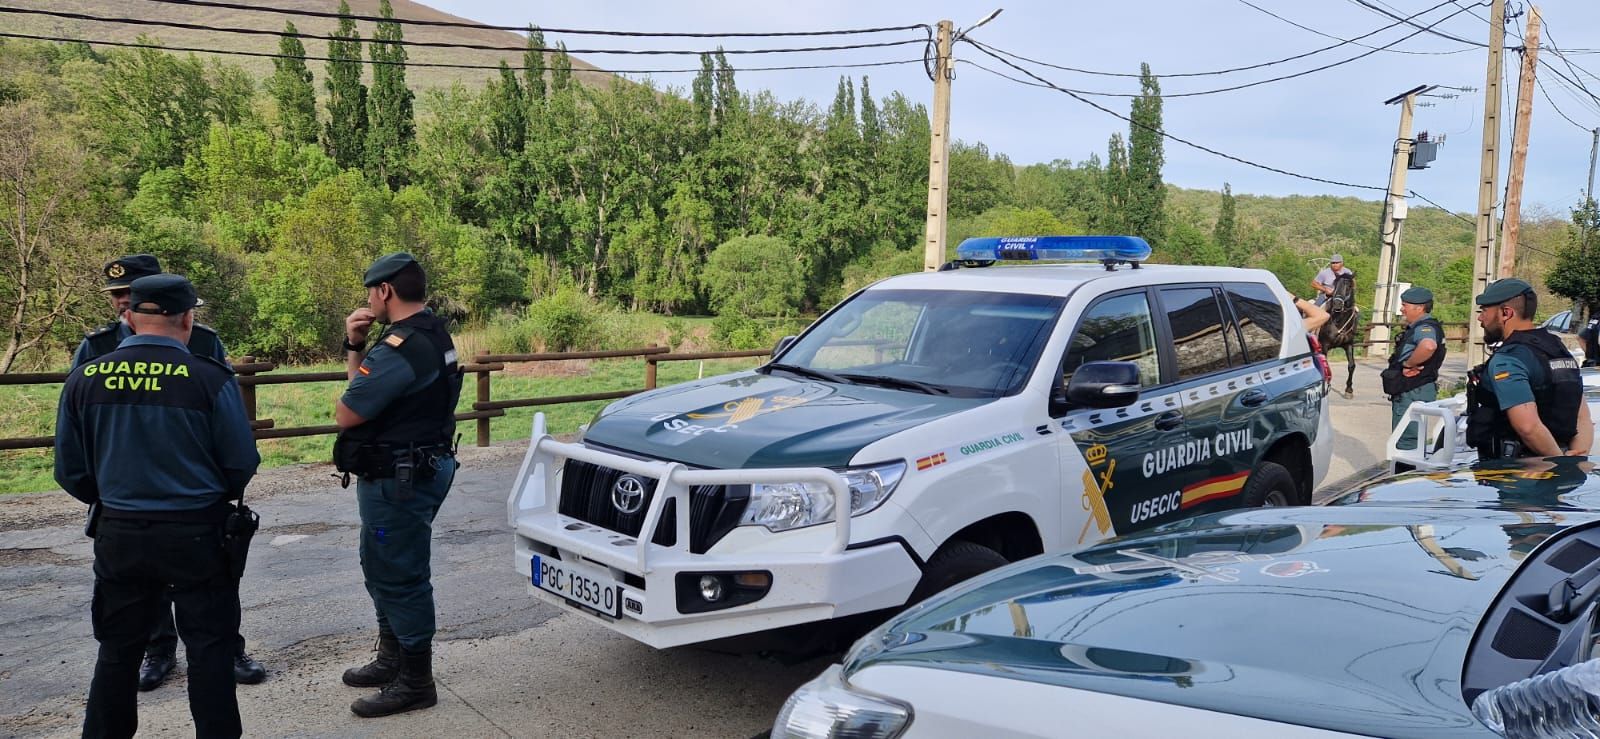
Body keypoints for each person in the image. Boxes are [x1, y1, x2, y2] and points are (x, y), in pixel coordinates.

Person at [54, 274, 260, 738]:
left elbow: (69, 470)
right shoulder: (210, 379)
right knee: (209, 647)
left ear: (129, 317)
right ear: (188, 318)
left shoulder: (84, 379)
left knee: (118, 650)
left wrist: (116, 499)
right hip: (197, 533)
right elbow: (241, 463)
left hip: (119, 532)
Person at [333, 253, 462, 718]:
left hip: (399, 477)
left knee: (400, 574)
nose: (368, 299)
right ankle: (392, 657)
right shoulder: (434, 331)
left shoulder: (399, 348)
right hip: (421, 465)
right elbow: (367, 399)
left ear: (385, 291)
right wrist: (356, 343)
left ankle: (415, 680)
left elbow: (348, 412)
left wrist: (358, 350)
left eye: (371, 291)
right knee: (382, 560)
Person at [1467, 278, 1594, 460]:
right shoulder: (1557, 349)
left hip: (1518, 474)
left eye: (1484, 311)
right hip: (1562, 464)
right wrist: (1574, 459)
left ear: (1506, 313)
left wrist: (1558, 463)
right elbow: (1582, 417)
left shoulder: (1508, 359)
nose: (1480, 318)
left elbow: (1528, 427)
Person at [73, 255, 226, 370]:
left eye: (133, 292)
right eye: (117, 294)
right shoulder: (96, 345)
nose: (124, 300)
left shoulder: (203, 340)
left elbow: (224, 393)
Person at [1385, 287, 1446, 450]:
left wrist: (1408, 364)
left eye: (1405, 305)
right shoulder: (1424, 326)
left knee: (1407, 442)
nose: (1401, 309)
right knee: (1413, 438)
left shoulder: (1424, 328)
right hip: (1417, 388)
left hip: (1412, 389)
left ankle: (1405, 473)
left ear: (1419, 308)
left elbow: (1428, 345)